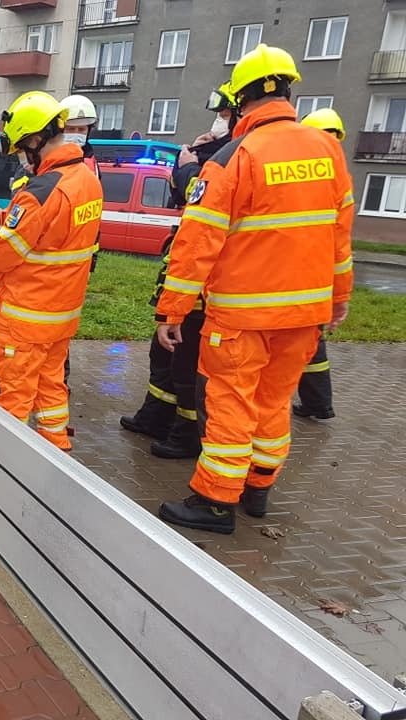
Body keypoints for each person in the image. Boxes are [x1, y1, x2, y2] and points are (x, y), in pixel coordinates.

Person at [155, 44, 354, 534]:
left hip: (242, 317)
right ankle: (258, 489)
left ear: (241, 100)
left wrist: (172, 311)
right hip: (305, 313)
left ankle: (214, 502)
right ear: (288, 91)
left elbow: (196, 242)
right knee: (273, 404)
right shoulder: (326, 149)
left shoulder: (235, 156)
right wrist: (339, 297)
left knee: (229, 404)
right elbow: (339, 235)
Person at [0, 91, 103, 450]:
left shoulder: (40, 191)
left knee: (13, 399)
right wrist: (9, 223)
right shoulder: (86, 179)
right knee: (52, 390)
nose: (20, 159)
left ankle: (4, 468)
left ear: (34, 140)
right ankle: (56, 450)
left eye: (19, 149)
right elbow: (52, 240)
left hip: (24, 321)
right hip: (60, 317)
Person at [120, 84, 239, 459]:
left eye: (222, 115)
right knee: (164, 356)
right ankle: (156, 416)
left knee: (187, 366)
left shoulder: (238, 156)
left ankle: (186, 435)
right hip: (188, 280)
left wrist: (189, 167)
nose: (216, 123)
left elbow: (198, 198)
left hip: (206, 288)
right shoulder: (223, 151)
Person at [293, 107, 348, 421]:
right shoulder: (339, 177)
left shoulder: (309, 175)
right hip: (319, 280)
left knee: (306, 347)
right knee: (313, 346)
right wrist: (340, 296)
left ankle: (316, 403)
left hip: (298, 277)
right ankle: (319, 403)